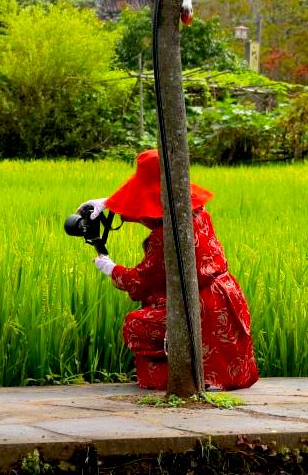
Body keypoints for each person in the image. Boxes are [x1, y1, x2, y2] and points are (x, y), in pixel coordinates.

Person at [81, 149, 258, 391]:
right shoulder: (195, 213)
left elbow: (140, 282)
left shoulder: (163, 238)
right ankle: (209, 378)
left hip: (196, 308)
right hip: (225, 299)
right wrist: (109, 204)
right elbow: (156, 211)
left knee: (136, 325)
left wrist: (110, 267)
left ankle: (186, 379)